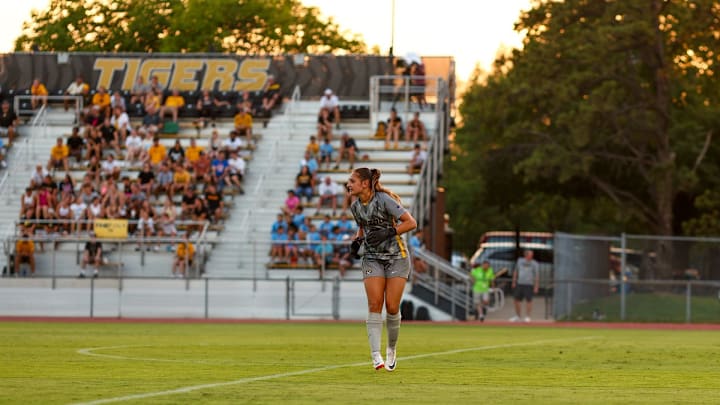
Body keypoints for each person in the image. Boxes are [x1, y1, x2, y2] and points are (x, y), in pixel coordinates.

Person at [347, 167, 417, 371]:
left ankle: (391, 349)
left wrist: (389, 232)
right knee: (375, 303)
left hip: (397, 257)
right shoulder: (355, 207)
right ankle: (375, 355)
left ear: (365, 184)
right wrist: (357, 241)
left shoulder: (384, 200)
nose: (348, 184)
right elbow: (362, 227)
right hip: (371, 258)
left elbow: (411, 223)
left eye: (352, 181)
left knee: (392, 307)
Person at [510, 249, 540, 322]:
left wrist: (536, 286)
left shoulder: (534, 263)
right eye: (530, 255)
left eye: (532, 255)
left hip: (529, 284)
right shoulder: (520, 261)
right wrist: (514, 281)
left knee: (529, 300)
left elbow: (537, 275)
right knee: (516, 300)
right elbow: (516, 271)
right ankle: (518, 316)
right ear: (526, 255)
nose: (531, 256)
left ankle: (528, 316)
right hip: (520, 283)